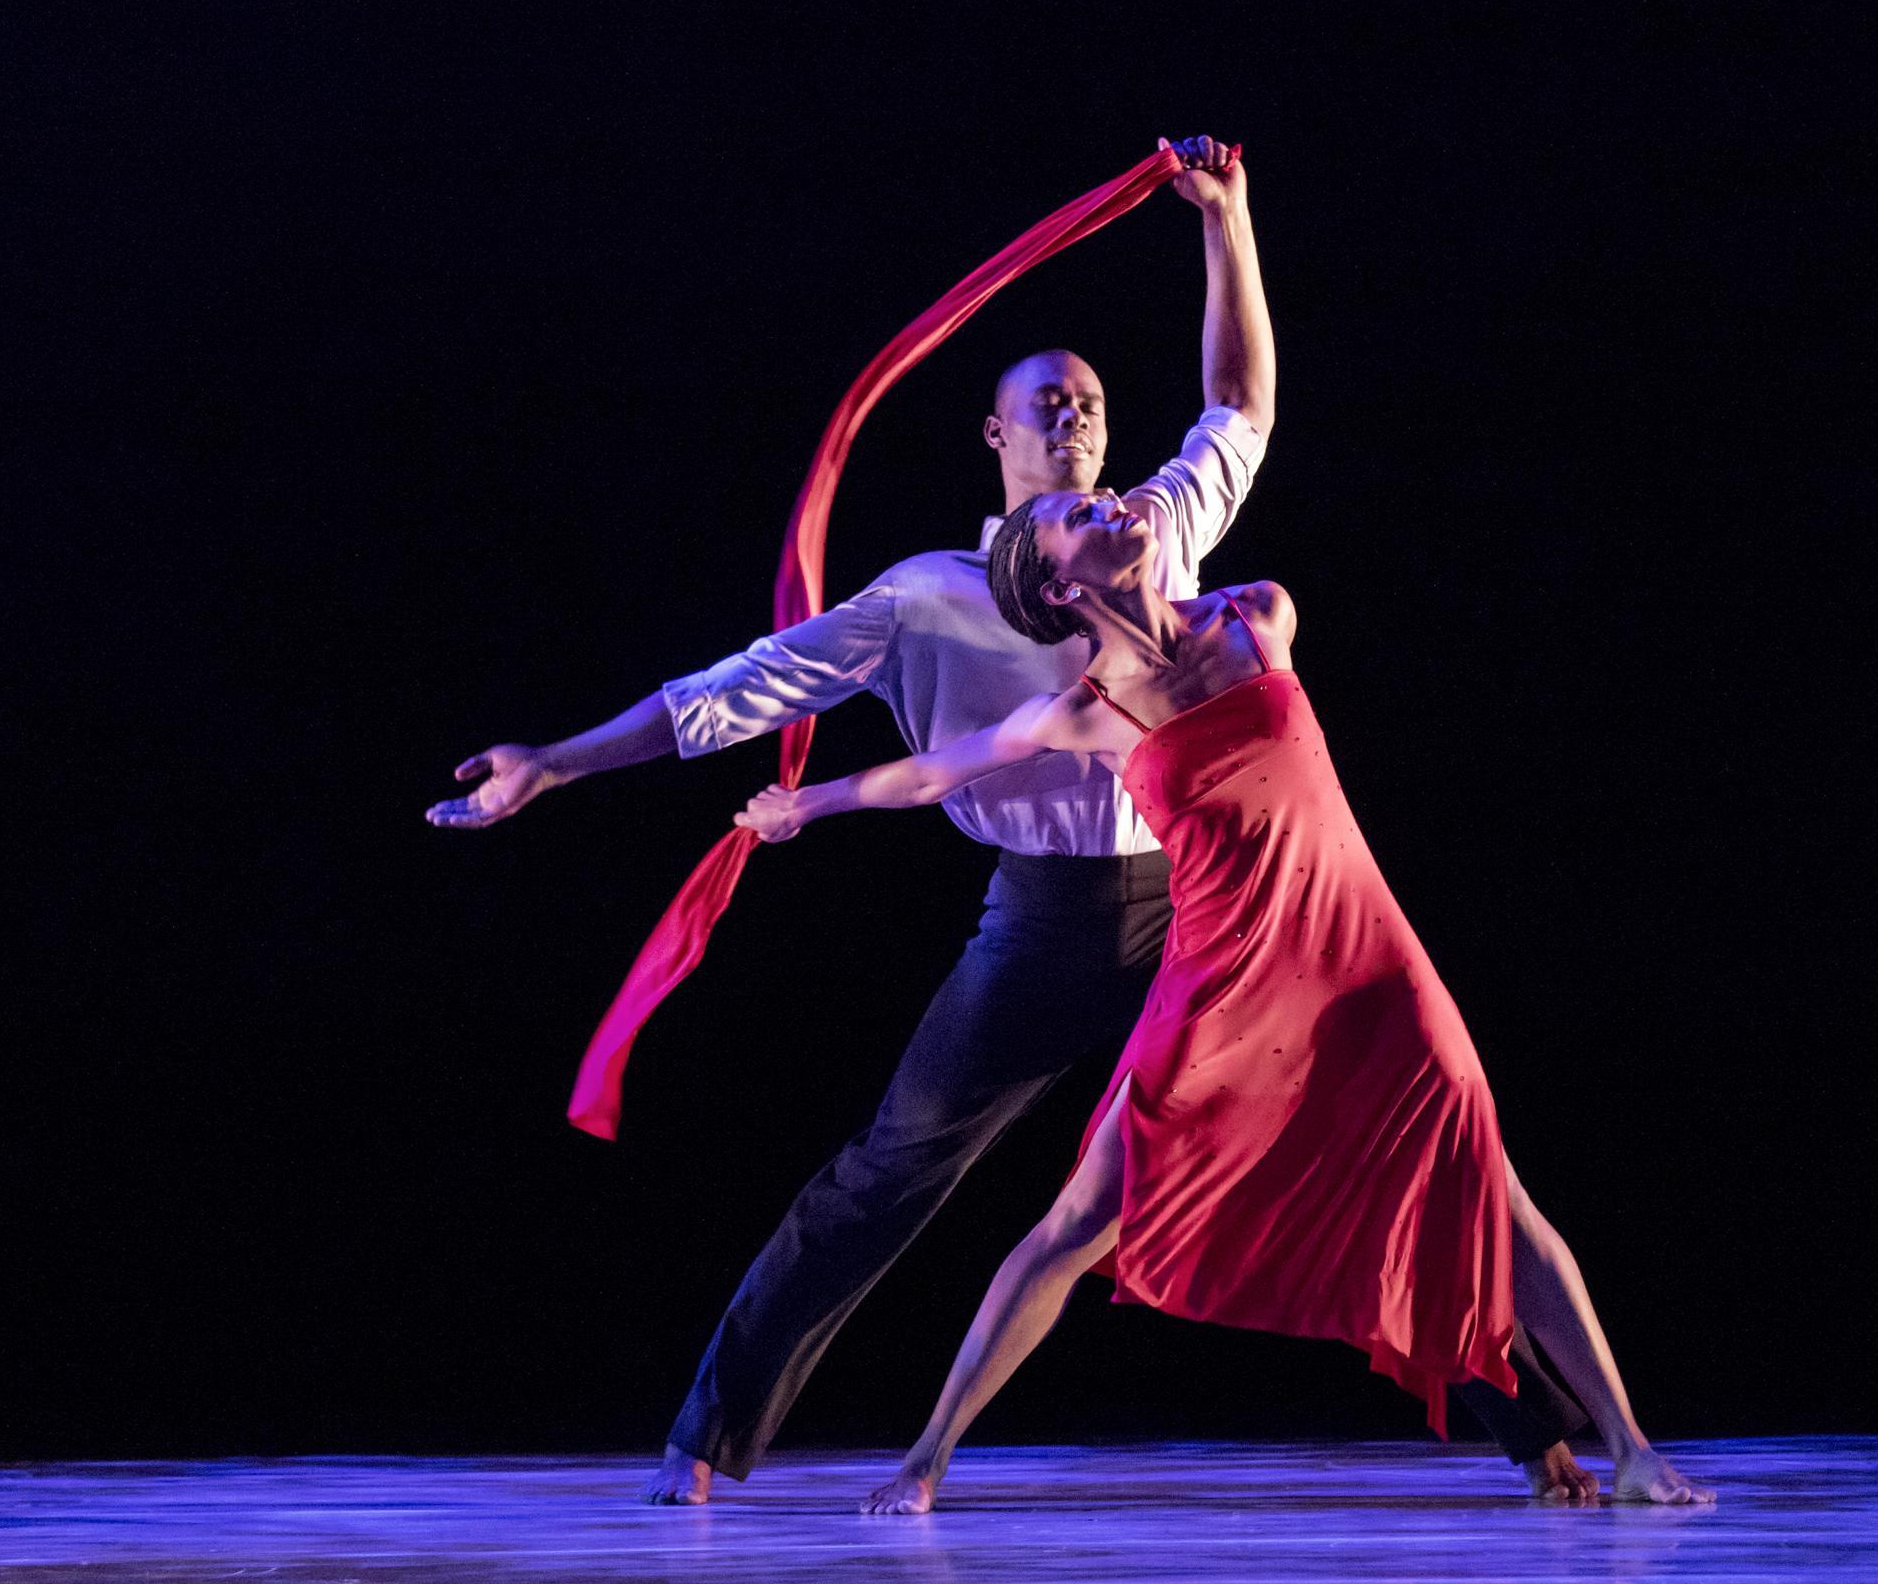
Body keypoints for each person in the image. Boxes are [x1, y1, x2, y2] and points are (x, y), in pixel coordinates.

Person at [426, 138, 1606, 1506]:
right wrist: (554, 766)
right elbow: (724, 698)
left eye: (1092, 409)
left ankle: (1547, 1440)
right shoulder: (922, 597)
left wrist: (1226, 222)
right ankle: (704, 1445)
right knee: (885, 1172)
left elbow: (1238, 404)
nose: (1076, 425)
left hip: (1194, 910)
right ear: (994, 435)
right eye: (1047, 406)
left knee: (1346, 1141)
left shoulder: (1153, 532)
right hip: (1035, 924)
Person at [732, 487, 1714, 1511]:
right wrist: (806, 802)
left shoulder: (1258, 613)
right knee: (1079, 1221)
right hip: (1221, 983)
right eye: (1080, 508)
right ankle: (924, 1459)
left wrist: (1234, 309)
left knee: (1495, 1198)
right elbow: (937, 771)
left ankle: (1633, 1448)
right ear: (1060, 580)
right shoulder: (1086, 710)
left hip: (1367, 968)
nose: (1113, 496)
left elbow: (1239, 397)